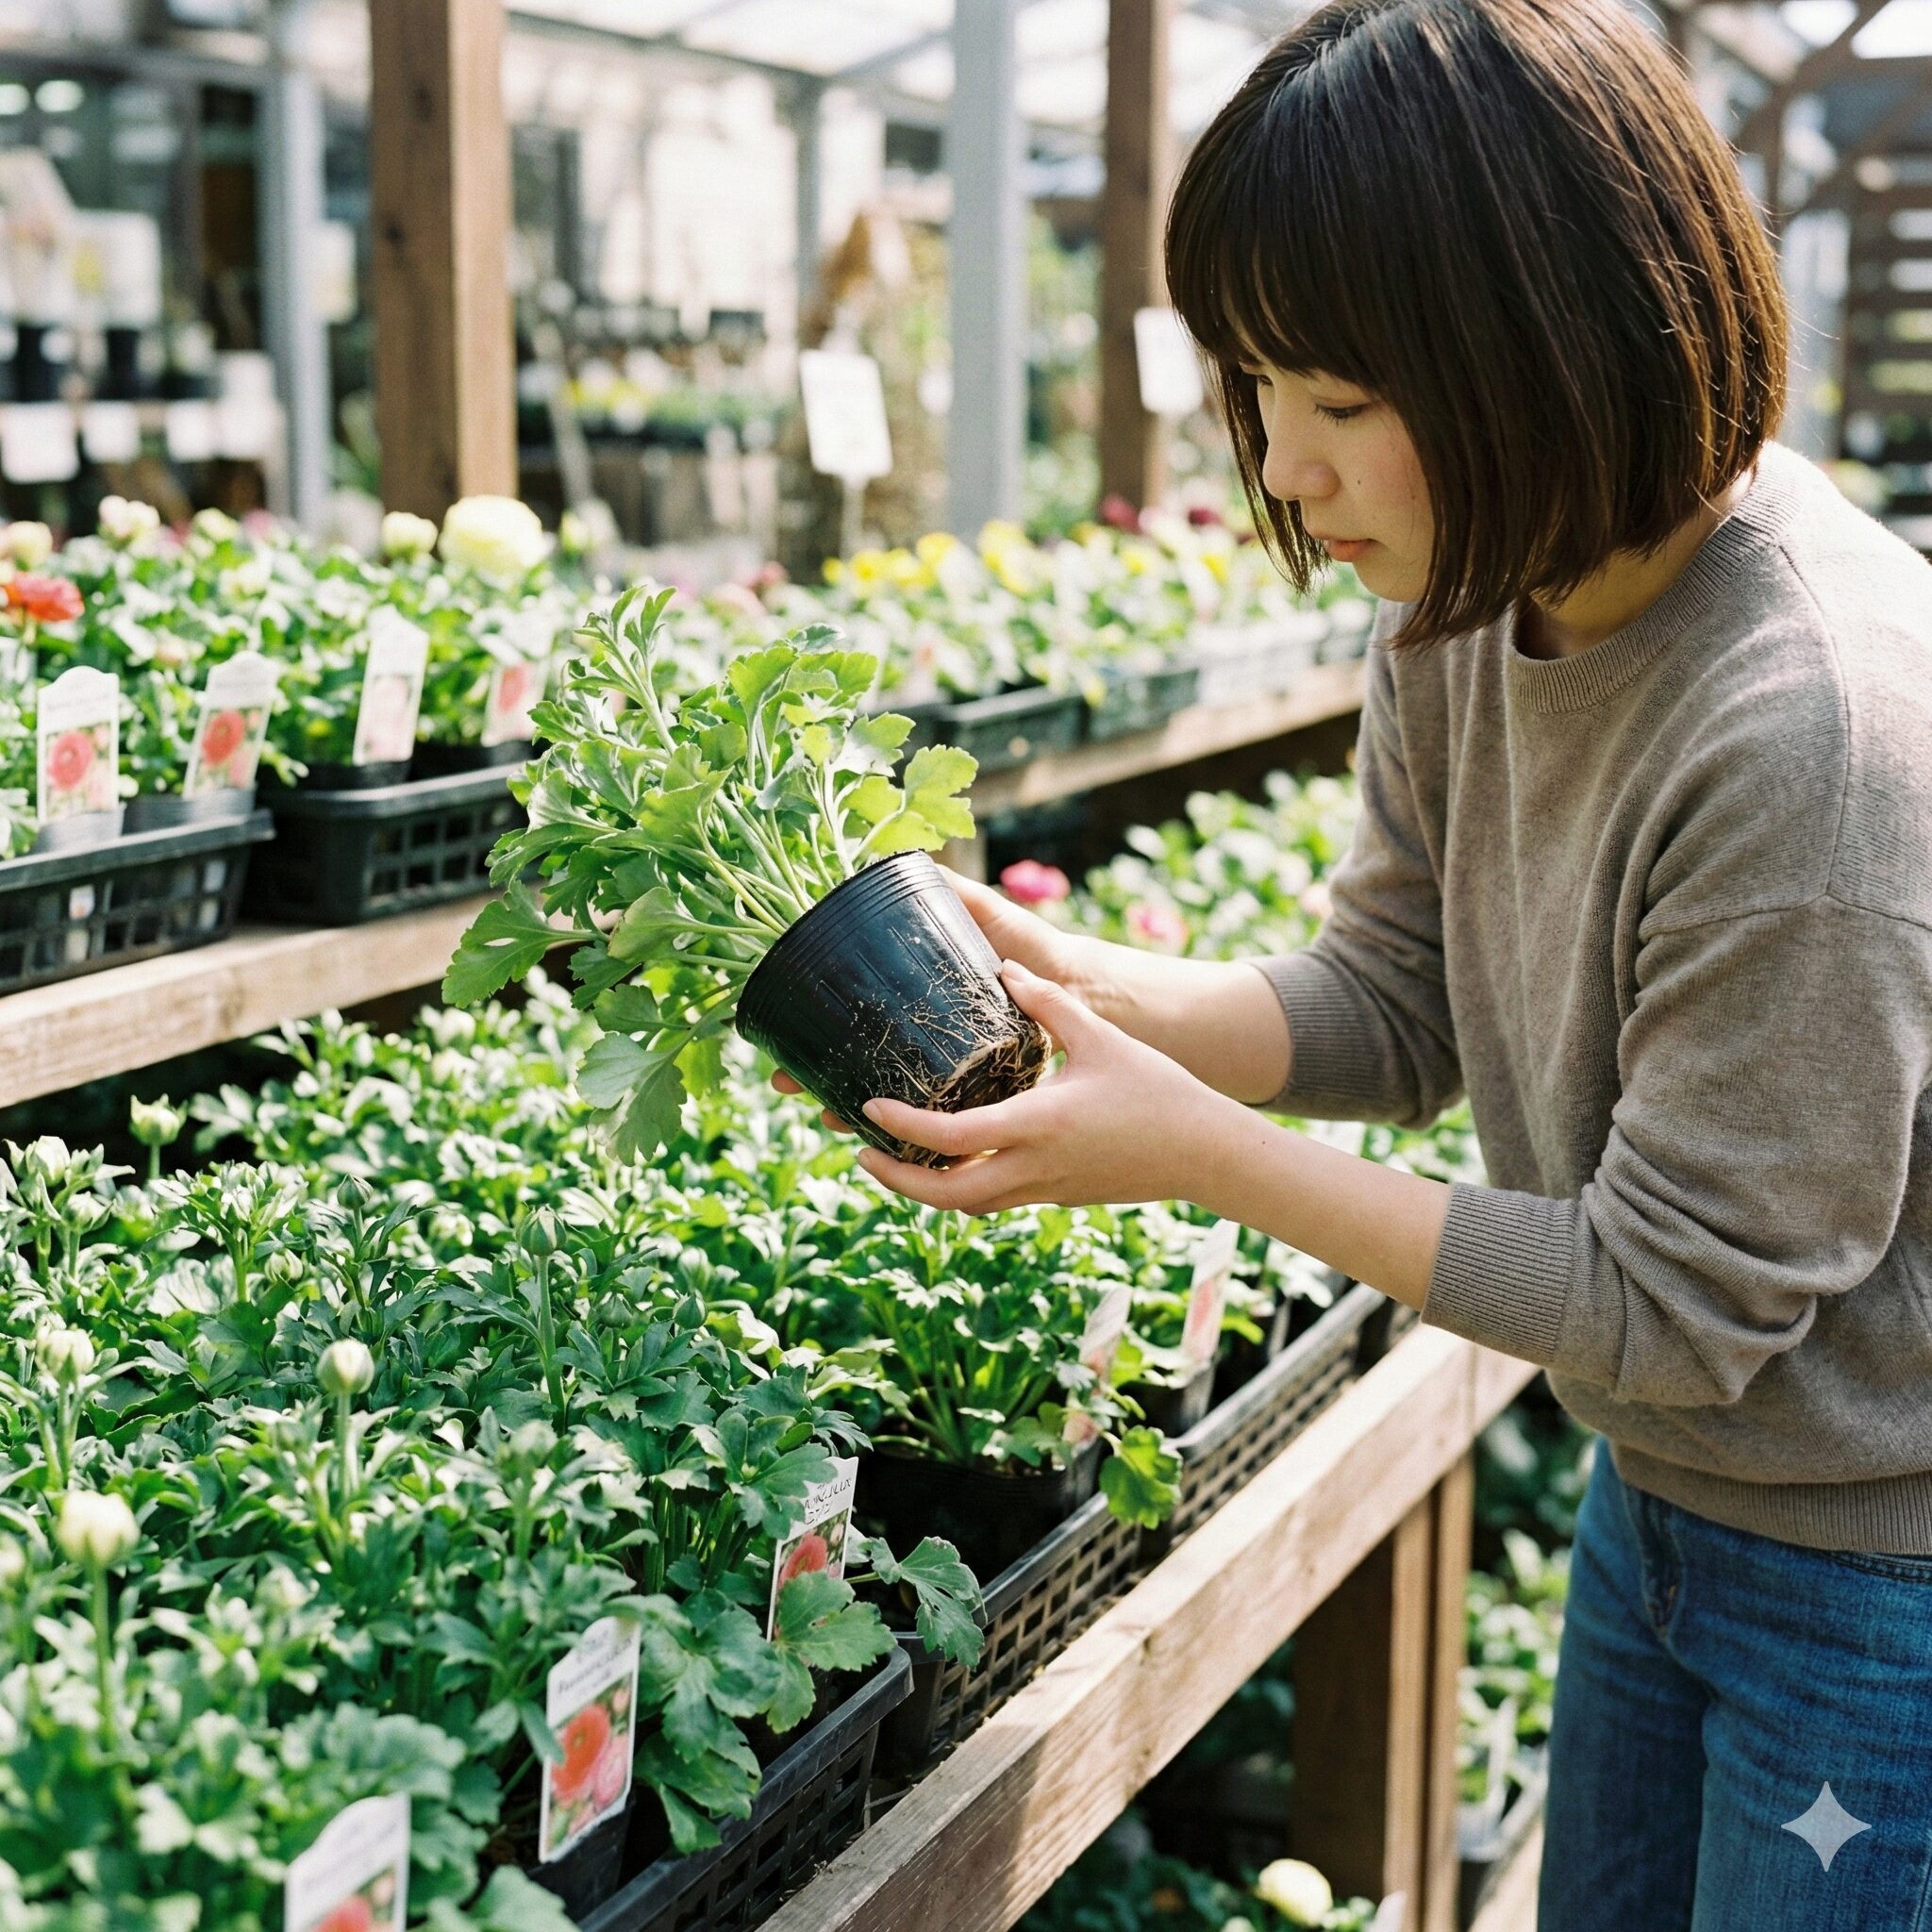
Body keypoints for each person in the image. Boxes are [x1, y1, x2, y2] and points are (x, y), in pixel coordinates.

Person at [784, 1, 1932, 1925]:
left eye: (1334, 399)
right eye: (1258, 393)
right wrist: (1088, 994)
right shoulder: (1475, 607)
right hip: (1664, 1510)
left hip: (1871, 1585)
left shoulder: (1807, 733)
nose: (1283, 468)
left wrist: (1196, 1149)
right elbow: (1397, 1000)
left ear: (1543, 346)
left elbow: (1669, 1303)